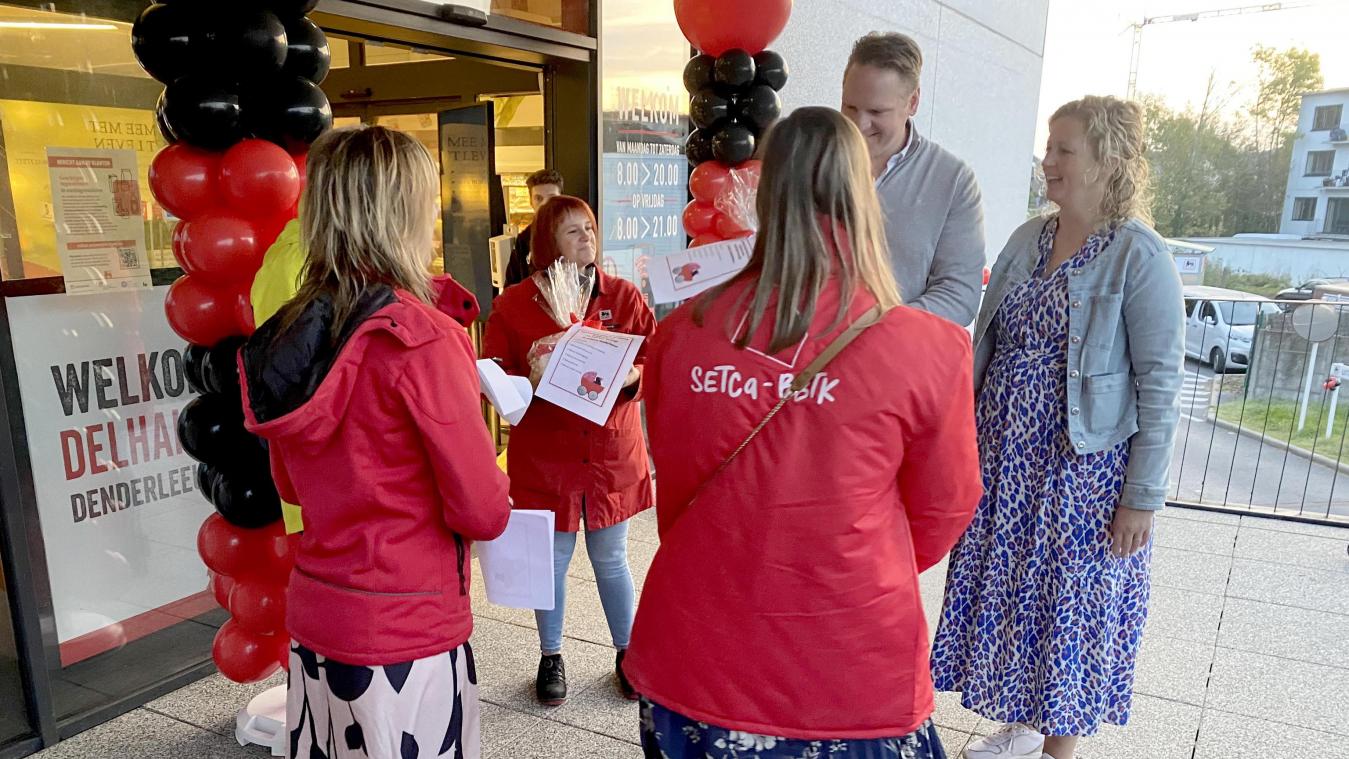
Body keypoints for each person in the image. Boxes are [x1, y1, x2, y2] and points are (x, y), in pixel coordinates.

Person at [622, 106, 983, 759]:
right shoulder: (927, 347)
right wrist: (847, 556)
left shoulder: (679, 338)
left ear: (768, 190)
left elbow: (677, 487)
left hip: (693, 649)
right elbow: (944, 509)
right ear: (862, 191)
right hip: (848, 666)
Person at [239, 125, 512, 759]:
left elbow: (287, 484)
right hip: (407, 622)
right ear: (408, 210)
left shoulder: (286, 334)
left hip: (317, 614)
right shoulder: (424, 338)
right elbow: (483, 509)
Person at [929, 96, 1185, 759]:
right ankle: (1019, 725)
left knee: (1067, 607)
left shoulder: (1138, 255)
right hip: (1004, 463)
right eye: (1049, 147)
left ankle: (1056, 752)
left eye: (1063, 149)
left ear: (1106, 160)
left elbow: (1159, 383)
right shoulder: (1026, 237)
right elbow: (984, 342)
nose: (1048, 160)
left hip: (1081, 475)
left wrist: (1140, 497)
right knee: (1014, 595)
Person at [482, 195, 656, 706]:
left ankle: (628, 653)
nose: (588, 239)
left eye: (590, 229)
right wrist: (528, 374)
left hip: (609, 452)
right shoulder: (513, 304)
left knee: (612, 558)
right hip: (547, 454)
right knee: (552, 560)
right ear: (546, 244)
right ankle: (551, 654)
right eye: (573, 232)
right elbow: (491, 373)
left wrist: (631, 375)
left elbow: (654, 354)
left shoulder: (621, 295)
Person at [841, 31, 986, 326]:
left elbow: (959, 294)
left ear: (913, 102)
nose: (859, 124)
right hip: (805, 358)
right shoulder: (809, 160)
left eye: (877, 111)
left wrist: (876, 327)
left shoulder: (953, 181)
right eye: (850, 107)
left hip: (892, 360)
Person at [504, 168, 565, 288]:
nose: (544, 204)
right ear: (531, 201)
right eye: (538, 198)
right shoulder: (524, 239)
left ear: (561, 199)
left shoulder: (575, 232)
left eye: (551, 197)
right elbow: (511, 285)